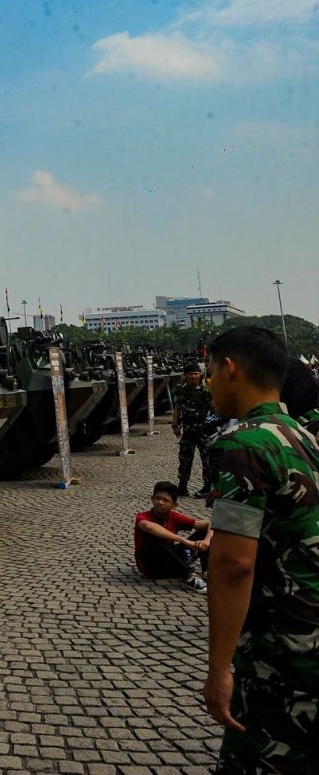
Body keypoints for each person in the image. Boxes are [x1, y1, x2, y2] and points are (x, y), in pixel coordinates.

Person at [202, 326, 319, 774]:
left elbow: (233, 566)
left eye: (211, 369)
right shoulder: (300, 435)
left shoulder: (243, 445)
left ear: (231, 369)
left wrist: (219, 669)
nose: (209, 379)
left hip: (282, 653)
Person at [134, 480, 211, 592]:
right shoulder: (143, 516)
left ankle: (207, 573)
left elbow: (210, 524)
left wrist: (206, 541)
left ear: (175, 505)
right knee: (154, 536)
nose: (160, 502)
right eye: (157, 498)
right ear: (152, 499)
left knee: (205, 533)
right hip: (152, 567)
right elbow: (149, 527)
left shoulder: (174, 517)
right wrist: (185, 541)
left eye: (166, 500)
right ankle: (191, 576)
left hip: (173, 564)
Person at [173, 362, 213, 497]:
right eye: (191, 374)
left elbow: (213, 410)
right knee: (184, 458)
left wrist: (212, 427)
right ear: (186, 375)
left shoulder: (206, 391)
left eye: (196, 374)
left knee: (207, 459)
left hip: (203, 430)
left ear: (200, 374)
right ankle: (182, 485)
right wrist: (175, 425)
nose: (194, 376)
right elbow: (177, 407)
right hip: (188, 429)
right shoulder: (180, 389)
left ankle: (207, 486)